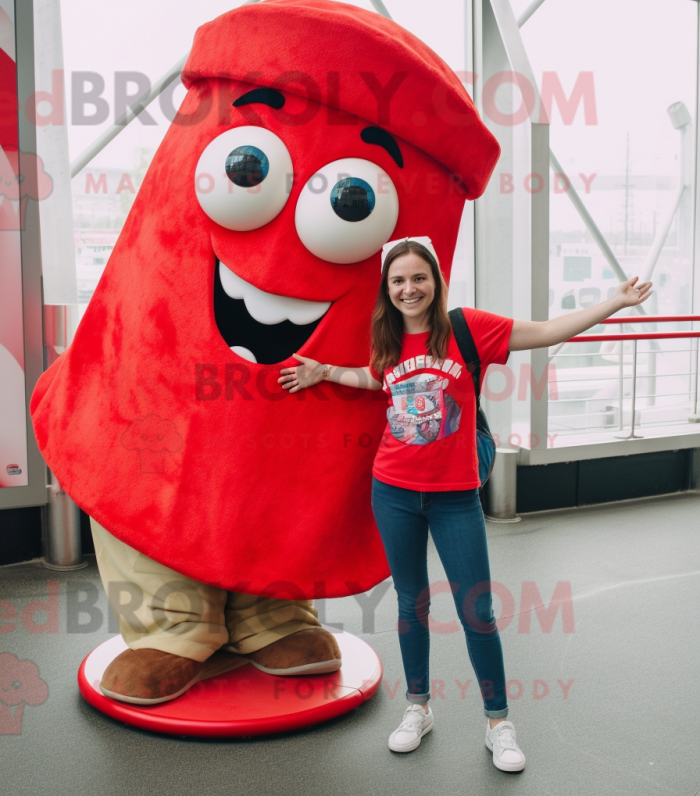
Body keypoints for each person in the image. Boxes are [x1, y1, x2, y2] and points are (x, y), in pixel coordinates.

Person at [277, 237, 652, 769]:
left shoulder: (467, 328)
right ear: (388, 288)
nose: (409, 289)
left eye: (418, 278)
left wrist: (612, 303)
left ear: (435, 281)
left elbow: (543, 332)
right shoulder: (384, 334)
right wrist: (327, 372)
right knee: (412, 605)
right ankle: (418, 708)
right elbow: (378, 379)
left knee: (478, 609)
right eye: (398, 281)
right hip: (393, 490)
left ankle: (499, 723)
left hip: (454, 497)